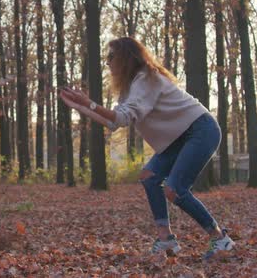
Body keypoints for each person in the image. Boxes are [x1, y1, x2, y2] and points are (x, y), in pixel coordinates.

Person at [59, 37, 235, 260]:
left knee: (174, 189)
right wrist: (82, 107)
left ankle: (220, 239)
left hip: (200, 129)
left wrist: (90, 103)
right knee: (150, 176)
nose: (107, 63)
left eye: (110, 57)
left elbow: (121, 116)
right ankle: (166, 240)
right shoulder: (132, 87)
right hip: (178, 137)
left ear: (124, 57)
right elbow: (115, 123)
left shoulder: (147, 78)